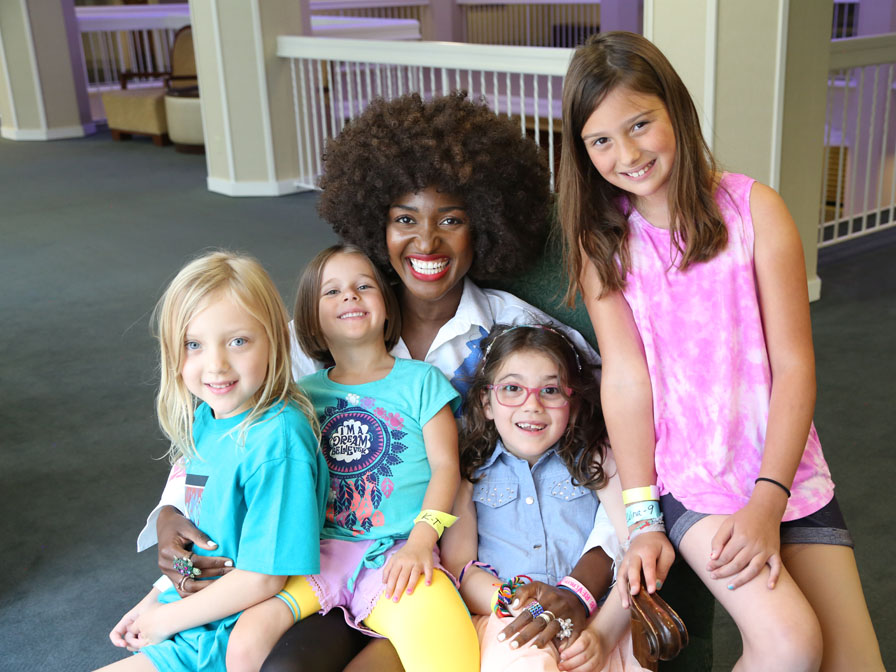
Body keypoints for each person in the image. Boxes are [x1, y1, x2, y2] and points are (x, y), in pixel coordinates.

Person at [147, 93, 609, 671]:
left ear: (485, 226)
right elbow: (228, 416)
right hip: (325, 560)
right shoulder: (320, 334)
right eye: (404, 220)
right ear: (376, 228)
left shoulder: (519, 330)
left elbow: (606, 429)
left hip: (465, 567)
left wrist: (606, 560)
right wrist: (170, 510)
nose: (427, 242)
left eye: (452, 220)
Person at [557, 31, 885, 671]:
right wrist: (643, 517)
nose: (626, 153)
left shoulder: (756, 209)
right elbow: (626, 380)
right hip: (691, 480)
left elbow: (794, 367)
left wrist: (768, 498)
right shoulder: (605, 245)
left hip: (784, 472)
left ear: (675, 110)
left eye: (640, 124)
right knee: (789, 644)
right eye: (601, 140)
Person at [225, 244, 479, 672]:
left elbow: (445, 468)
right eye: (332, 291)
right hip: (316, 555)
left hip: (398, 553)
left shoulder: (421, 382)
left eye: (364, 286)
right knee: (247, 643)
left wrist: (421, 541)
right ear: (310, 318)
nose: (350, 296)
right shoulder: (300, 398)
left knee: (451, 654)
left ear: (385, 305)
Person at [101, 251, 327, 672]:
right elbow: (210, 535)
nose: (216, 365)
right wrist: (150, 603)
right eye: (194, 345)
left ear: (275, 339)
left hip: (225, 630)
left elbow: (264, 577)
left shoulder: (278, 440)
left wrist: (164, 621)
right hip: (192, 612)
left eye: (238, 341)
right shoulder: (209, 418)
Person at [440, 324, 646, 672]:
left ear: (574, 403)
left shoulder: (596, 461)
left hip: (595, 620)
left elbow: (636, 546)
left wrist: (603, 635)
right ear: (485, 403)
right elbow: (461, 569)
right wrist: (520, 604)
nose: (531, 405)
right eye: (512, 388)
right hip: (509, 622)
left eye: (550, 390)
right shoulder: (469, 475)